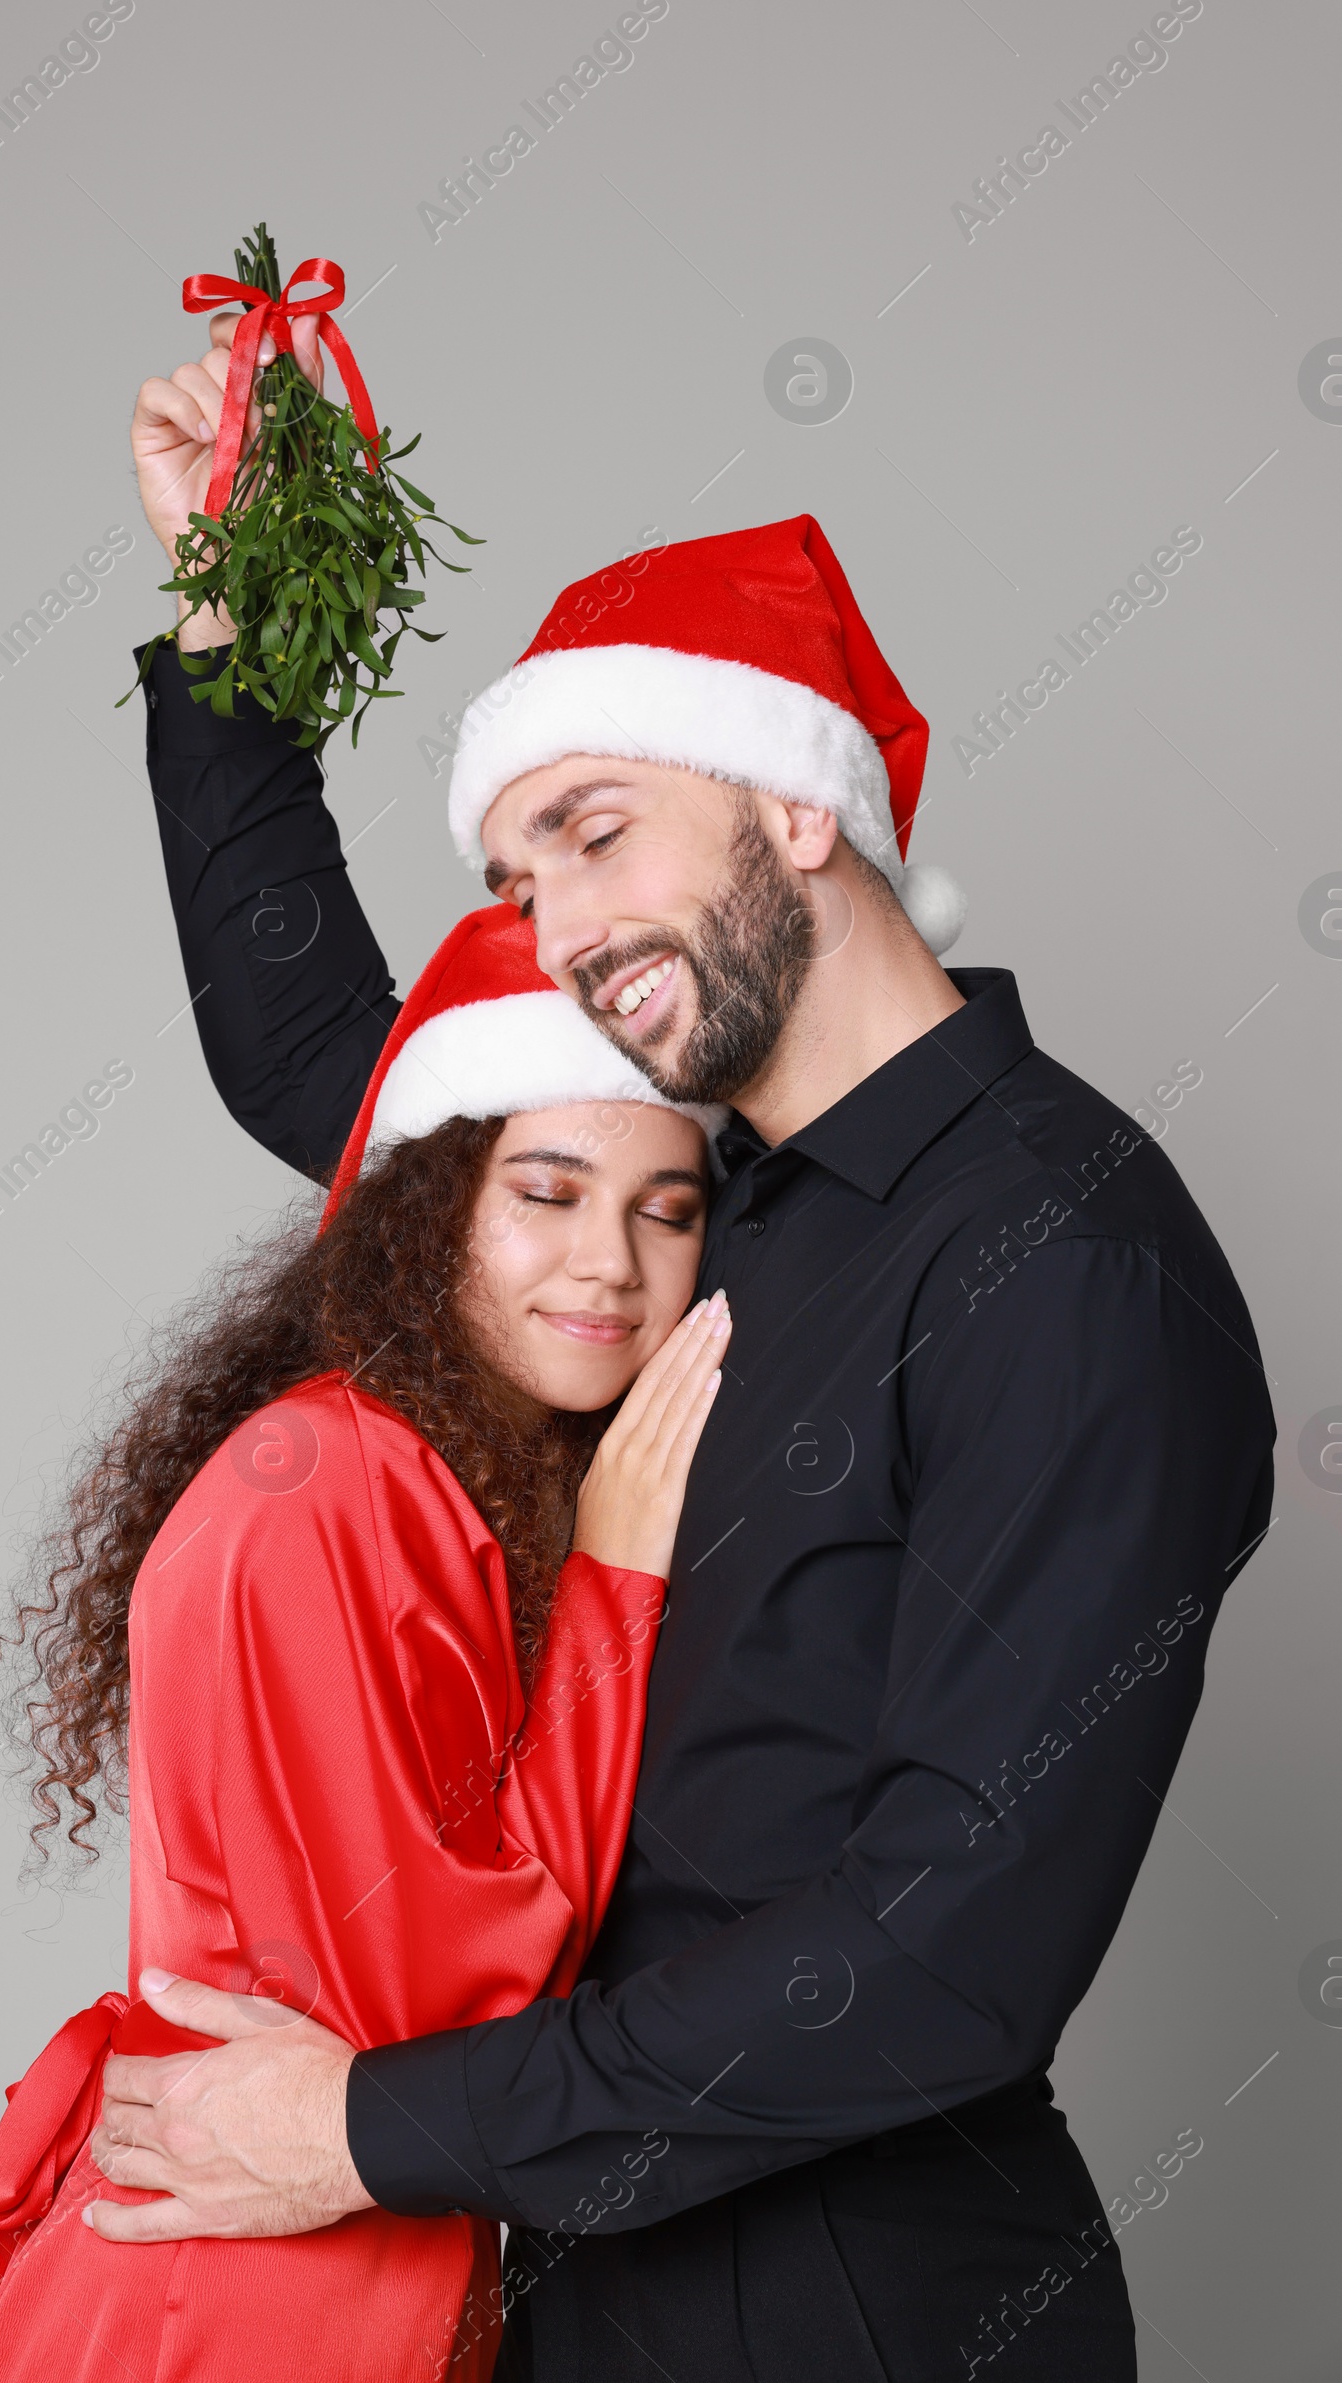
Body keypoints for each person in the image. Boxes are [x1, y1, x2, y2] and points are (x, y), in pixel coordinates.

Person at [90, 318, 1276, 2381]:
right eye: (515, 873)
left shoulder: (1066, 1256)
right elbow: (343, 1079)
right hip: (569, 2288)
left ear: (793, 803)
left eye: (596, 830)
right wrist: (224, 620)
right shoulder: (694, 1217)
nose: (554, 925)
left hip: (860, 2317)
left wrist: (359, 2130)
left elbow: (944, 1960)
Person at [0, 899, 732, 2383]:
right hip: (230, 2303)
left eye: (668, 1210)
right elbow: (441, 2004)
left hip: (348, 2271)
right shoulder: (322, 1488)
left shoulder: (465, 1482)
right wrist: (621, 1579)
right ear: (433, 1207)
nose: (614, 1267)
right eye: (548, 1194)